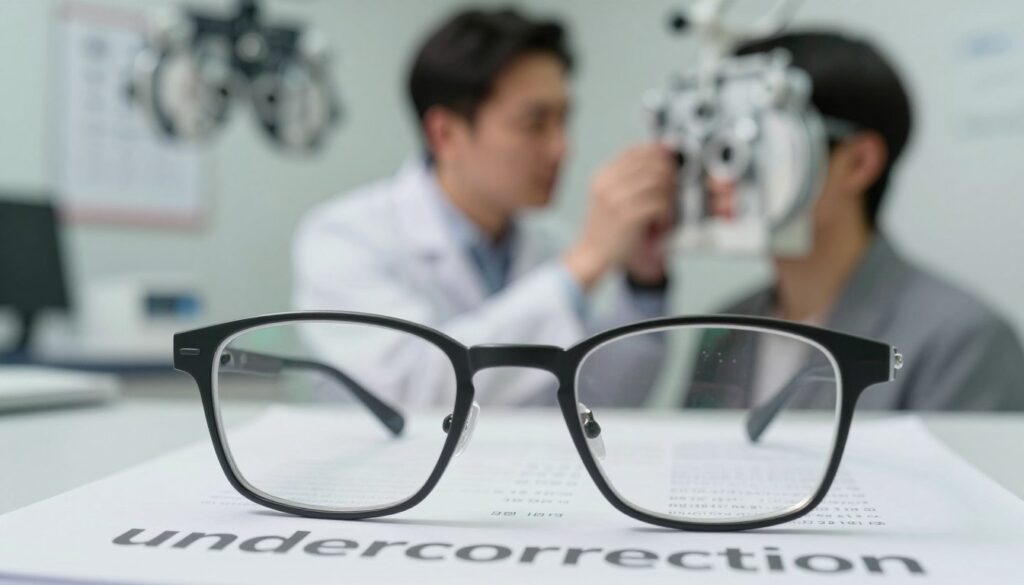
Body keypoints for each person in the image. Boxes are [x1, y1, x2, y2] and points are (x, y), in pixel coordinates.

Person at [292, 8, 677, 406]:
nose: (562, 147)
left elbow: (599, 401)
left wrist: (643, 282)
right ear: (445, 134)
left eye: (564, 119)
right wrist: (586, 262)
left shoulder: (549, 243)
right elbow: (412, 392)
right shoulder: (344, 238)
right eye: (534, 123)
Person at [684, 31, 1024, 410]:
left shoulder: (961, 341)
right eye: (719, 145)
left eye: (759, 143)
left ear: (858, 162)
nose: (721, 175)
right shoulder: (725, 328)